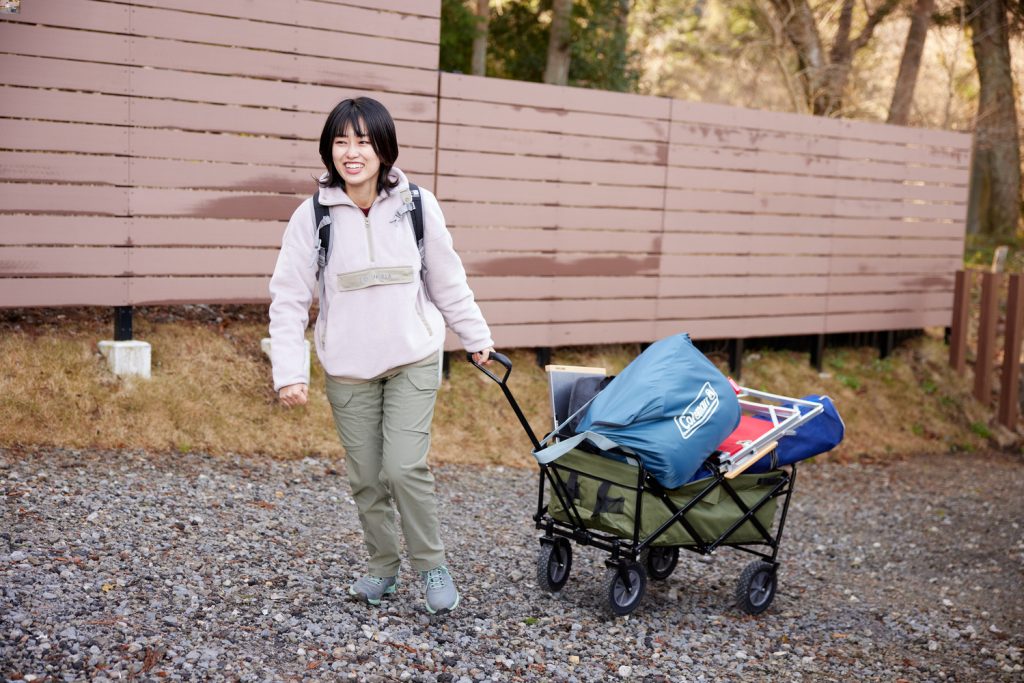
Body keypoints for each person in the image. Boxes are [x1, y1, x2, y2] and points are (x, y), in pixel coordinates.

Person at [268, 97, 494, 615]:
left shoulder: (417, 204)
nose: (352, 152)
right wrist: (289, 374)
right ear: (329, 149)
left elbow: (446, 278)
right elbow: (289, 299)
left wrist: (475, 336)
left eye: (363, 141)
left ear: (383, 147)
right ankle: (382, 568)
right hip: (348, 369)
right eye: (341, 141)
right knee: (366, 477)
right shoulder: (312, 217)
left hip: (413, 357)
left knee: (403, 466)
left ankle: (432, 564)